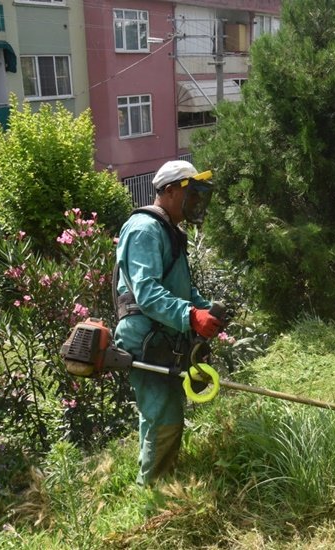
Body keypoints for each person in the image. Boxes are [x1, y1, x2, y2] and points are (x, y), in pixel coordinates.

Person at [113, 160, 222, 486]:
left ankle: (158, 480)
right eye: (192, 193)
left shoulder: (167, 230)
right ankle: (152, 493)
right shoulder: (145, 230)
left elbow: (182, 289)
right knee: (163, 416)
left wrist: (205, 310)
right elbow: (147, 292)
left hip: (162, 336)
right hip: (146, 337)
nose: (196, 201)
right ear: (171, 191)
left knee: (162, 412)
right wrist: (190, 316)